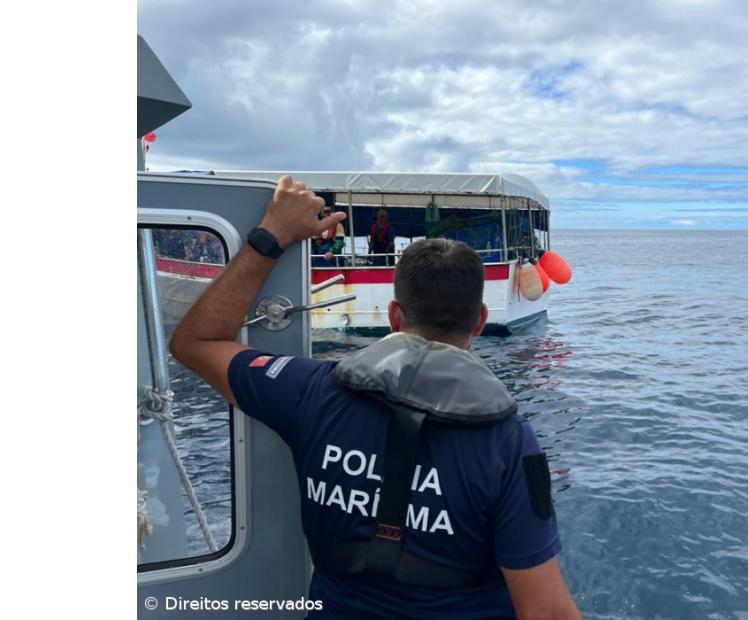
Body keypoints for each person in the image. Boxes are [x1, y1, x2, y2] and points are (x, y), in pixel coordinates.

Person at [169, 176, 580, 620]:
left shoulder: (311, 390)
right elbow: (546, 613)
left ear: (394, 315)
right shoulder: (509, 441)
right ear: (480, 320)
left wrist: (272, 238)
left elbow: (196, 342)